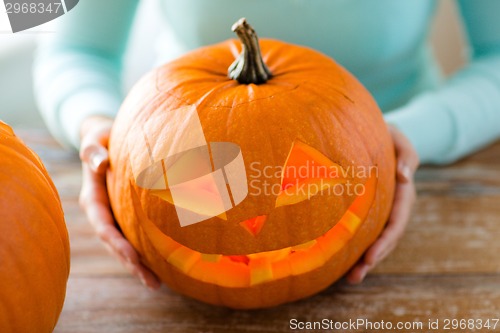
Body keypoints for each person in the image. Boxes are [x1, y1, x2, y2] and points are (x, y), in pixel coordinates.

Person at [34, 0, 500, 290]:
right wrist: (101, 134)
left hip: (394, 162)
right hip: (187, 158)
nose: (255, 225)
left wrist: (402, 140)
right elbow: (74, 48)